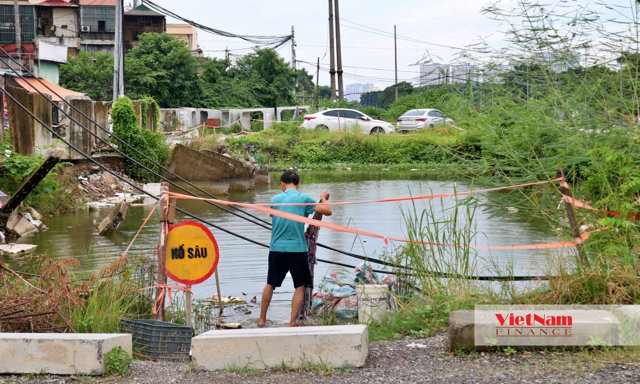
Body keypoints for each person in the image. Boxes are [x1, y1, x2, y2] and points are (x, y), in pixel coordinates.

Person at [257, 170, 331, 327]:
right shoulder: (304, 198)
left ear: (283, 184)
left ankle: (261, 320)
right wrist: (324, 198)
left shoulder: (275, 199)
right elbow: (328, 211)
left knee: (270, 283)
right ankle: (291, 323)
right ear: (298, 185)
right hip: (297, 249)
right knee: (300, 286)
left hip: (276, 248)